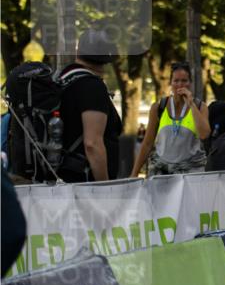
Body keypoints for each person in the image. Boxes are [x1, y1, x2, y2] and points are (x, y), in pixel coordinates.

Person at [58, 29, 122, 182]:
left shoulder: (64, 78)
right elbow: (92, 144)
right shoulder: (91, 86)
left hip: (65, 179)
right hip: (84, 182)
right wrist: (104, 187)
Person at [131, 62, 209, 176]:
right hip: (162, 171)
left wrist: (191, 104)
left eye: (184, 81)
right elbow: (147, 143)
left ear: (190, 84)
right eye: (176, 81)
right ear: (170, 83)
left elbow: (204, 134)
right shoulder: (159, 107)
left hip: (190, 172)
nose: (180, 85)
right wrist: (134, 173)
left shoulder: (200, 107)